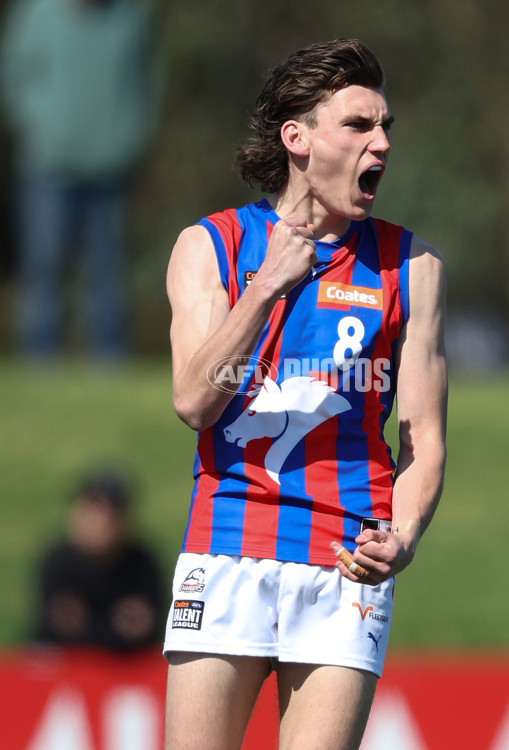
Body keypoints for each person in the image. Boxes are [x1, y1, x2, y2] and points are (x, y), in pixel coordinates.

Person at [164, 38, 447, 750]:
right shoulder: (213, 246)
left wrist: (404, 536)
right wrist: (264, 289)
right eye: (359, 125)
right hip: (227, 545)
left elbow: (424, 436)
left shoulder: (411, 267)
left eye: (386, 128)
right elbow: (195, 403)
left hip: (344, 562)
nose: (381, 142)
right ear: (298, 138)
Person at [0, 0, 159, 360]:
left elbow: (146, 82)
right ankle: (40, 361)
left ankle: (110, 360)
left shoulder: (131, 16)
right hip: (46, 164)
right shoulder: (34, 13)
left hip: (110, 166)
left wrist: (130, 138)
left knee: (108, 269)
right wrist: (36, 132)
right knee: (44, 264)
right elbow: (12, 78)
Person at [35, 470, 164, 652]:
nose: (100, 524)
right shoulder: (57, 562)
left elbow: (147, 631)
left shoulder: (143, 565)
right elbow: (53, 628)